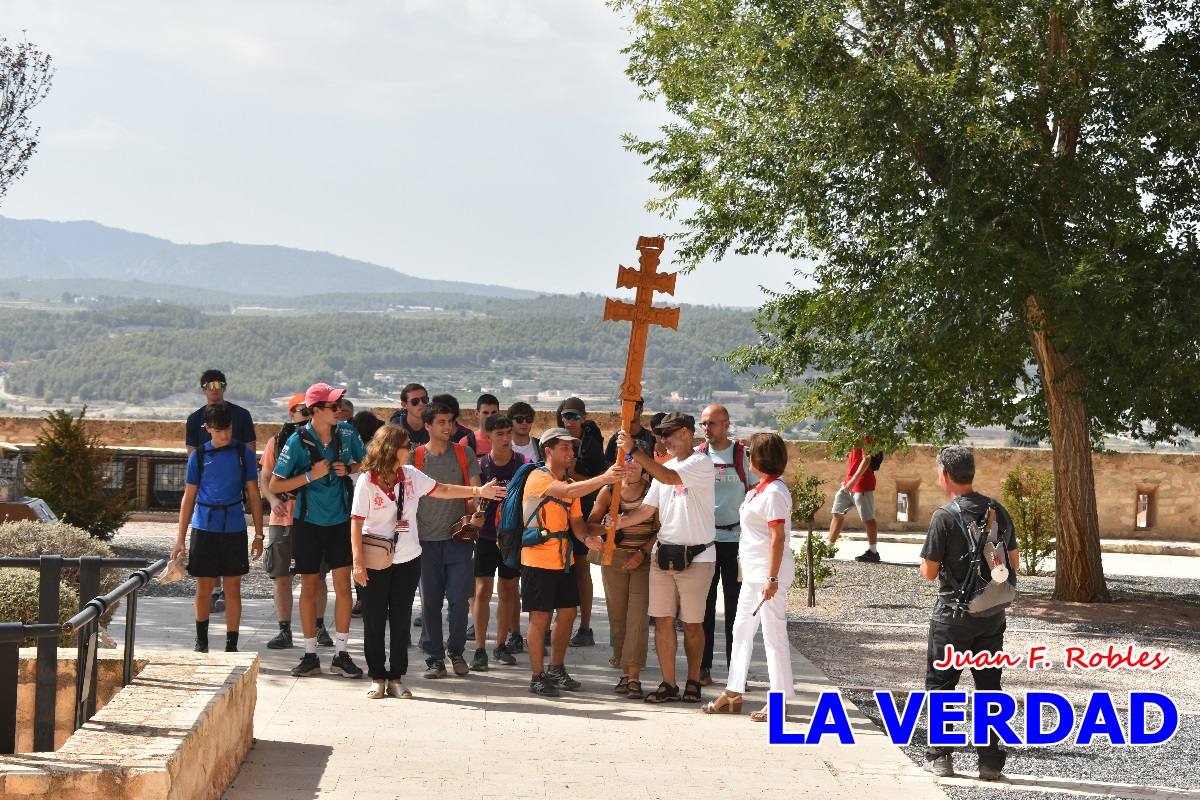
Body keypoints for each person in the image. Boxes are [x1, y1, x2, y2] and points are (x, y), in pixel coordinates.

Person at [350, 425, 505, 700]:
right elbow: (356, 522)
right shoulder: (367, 480)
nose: (410, 450)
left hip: (408, 558)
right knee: (374, 620)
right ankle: (377, 677)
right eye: (405, 445)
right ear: (390, 449)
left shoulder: (410, 475)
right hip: (374, 559)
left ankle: (396, 677)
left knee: (401, 620)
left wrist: (477, 490)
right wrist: (358, 563)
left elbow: (442, 489)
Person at [918, 446, 1019, 781]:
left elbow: (930, 572)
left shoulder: (943, 516)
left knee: (942, 686)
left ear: (945, 475)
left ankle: (942, 759)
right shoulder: (998, 510)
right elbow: (1013, 564)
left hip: (952, 617)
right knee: (989, 686)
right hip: (991, 615)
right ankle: (990, 764)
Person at [616, 412, 716, 705]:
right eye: (661, 435)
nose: (664, 440)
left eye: (669, 434)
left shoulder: (700, 462)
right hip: (664, 555)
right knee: (662, 622)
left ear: (686, 433)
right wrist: (618, 524)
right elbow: (647, 511)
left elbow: (671, 478)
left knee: (693, 624)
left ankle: (694, 680)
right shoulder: (663, 468)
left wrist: (635, 450)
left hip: (697, 557)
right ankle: (669, 682)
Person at [269, 382, 367, 679]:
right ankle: (310, 654)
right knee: (309, 586)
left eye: (340, 406)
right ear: (315, 410)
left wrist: (349, 469)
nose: (340, 411)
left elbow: (367, 463)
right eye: (333, 407)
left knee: (343, 587)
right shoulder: (297, 442)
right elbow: (275, 485)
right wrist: (311, 475)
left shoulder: (348, 433)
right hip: (308, 523)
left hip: (341, 521)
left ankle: (341, 653)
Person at [521, 427, 624, 696]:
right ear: (548, 452)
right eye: (564, 448)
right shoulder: (539, 478)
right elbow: (569, 493)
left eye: (571, 447)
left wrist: (589, 539)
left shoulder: (567, 483)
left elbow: (577, 522)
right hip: (537, 559)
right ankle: (537, 675)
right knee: (540, 618)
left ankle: (556, 668)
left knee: (568, 613)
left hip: (561, 560)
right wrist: (604, 478)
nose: (571, 452)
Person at [703, 433, 794, 721]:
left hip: (768, 573)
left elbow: (778, 537)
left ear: (758, 459)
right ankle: (733, 690)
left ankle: (780, 700)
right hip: (754, 571)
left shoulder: (775, 492)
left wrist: (772, 578)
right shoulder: (760, 490)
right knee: (741, 629)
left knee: (773, 635)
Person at [172, 403, 264, 653]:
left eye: (228, 429)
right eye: (220, 430)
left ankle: (231, 644)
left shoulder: (242, 453)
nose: (225, 435)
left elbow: (254, 495)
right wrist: (180, 539)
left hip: (234, 527)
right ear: (209, 428)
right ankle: (201, 641)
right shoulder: (198, 456)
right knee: (204, 586)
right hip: (205, 526)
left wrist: (259, 534)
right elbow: (188, 498)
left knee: (233, 587)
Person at [411, 398, 483, 679]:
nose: (448, 426)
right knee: (429, 601)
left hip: (459, 539)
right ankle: (434, 658)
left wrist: (478, 514)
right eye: (441, 421)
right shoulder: (415, 458)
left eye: (451, 421)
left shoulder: (465, 455)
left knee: (458, 598)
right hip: (424, 542)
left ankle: (455, 651)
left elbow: (476, 492)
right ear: (427, 425)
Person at [586, 452, 657, 700]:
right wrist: (605, 528)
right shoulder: (609, 490)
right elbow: (591, 524)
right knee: (618, 615)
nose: (631, 465)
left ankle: (632, 676)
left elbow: (660, 529)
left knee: (637, 617)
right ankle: (623, 664)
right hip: (613, 558)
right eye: (626, 459)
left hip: (643, 560)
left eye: (636, 459)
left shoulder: (653, 490)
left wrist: (644, 552)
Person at [185, 369, 256, 614]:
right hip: (206, 493)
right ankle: (213, 591)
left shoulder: (242, 416)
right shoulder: (194, 419)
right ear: (203, 388)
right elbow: (192, 454)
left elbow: (249, 451)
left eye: (219, 383)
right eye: (209, 384)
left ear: (225, 386)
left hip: (235, 491)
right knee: (208, 544)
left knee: (230, 549)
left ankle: (227, 592)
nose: (214, 388)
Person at [697, 403, 756, 686]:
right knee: (704, 608)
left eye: (712, 423)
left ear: (727, 424)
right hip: (706, 542)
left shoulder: (743, 456)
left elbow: (758, 492)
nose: (707, 429)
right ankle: (702, 667)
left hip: (737, 544)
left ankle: (737, 672)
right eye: (704, 424)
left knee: (737, 609)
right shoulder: (698, 457)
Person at [470, 414, 526, 670]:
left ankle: (501, 645)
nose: (506, 439)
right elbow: (470, 500)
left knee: (508, 592)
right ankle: (480, 647)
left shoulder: (523, 465)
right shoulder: (481, 467)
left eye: (508, 433)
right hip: (485, 537)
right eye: (500, 434)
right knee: (481, 592)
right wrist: (480, 504)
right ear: (488, 436)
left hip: (511, 538)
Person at [258, 393, 310, 649]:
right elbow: (265, 478)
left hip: (313, 517)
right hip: (283, 518)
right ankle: (284, 629)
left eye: (311, 410)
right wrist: (273, 500)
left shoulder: (322, 441)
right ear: (292, 413)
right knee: (282, 577)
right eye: (302, 410)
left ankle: (318, 628)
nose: (307, 414)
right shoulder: (276, 441)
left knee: (316, 576)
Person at [557, 396, 605, 647]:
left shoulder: (592, 446)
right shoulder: (558, 441)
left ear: (583, 418)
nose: (570, 421)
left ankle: (585, 627)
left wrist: (571, 472)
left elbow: (596, 483)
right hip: (558, 517)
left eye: (575, 416)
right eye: (567, 416)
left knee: (582, 572)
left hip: (581, 515)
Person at [827, 437, 880, 562]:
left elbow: (867, 459)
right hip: (848, 483)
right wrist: (849, 480)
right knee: (837, 512)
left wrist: (854, 480)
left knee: (868, 518)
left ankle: (873, 552)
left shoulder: (866, 436)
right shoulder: (855, 437)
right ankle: (829, 549)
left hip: (862, 484)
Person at [604, 398, 653, 465]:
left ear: (641, 410)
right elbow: (608, 463)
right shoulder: (616, 438)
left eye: (635, 407)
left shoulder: (650, 438)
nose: (630, 411)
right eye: (626, 407)